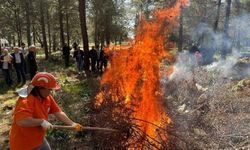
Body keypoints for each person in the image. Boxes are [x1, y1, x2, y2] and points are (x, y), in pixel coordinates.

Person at [9, 72, 83, 150]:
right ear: (40, 88)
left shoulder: (47, 97)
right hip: (23, 144)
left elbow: (58, 112)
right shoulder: (26, 100)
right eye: (50, 89)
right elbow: (21, 121)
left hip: (38, 139)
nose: (51, 92)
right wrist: (41, 122)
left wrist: (72, 124)